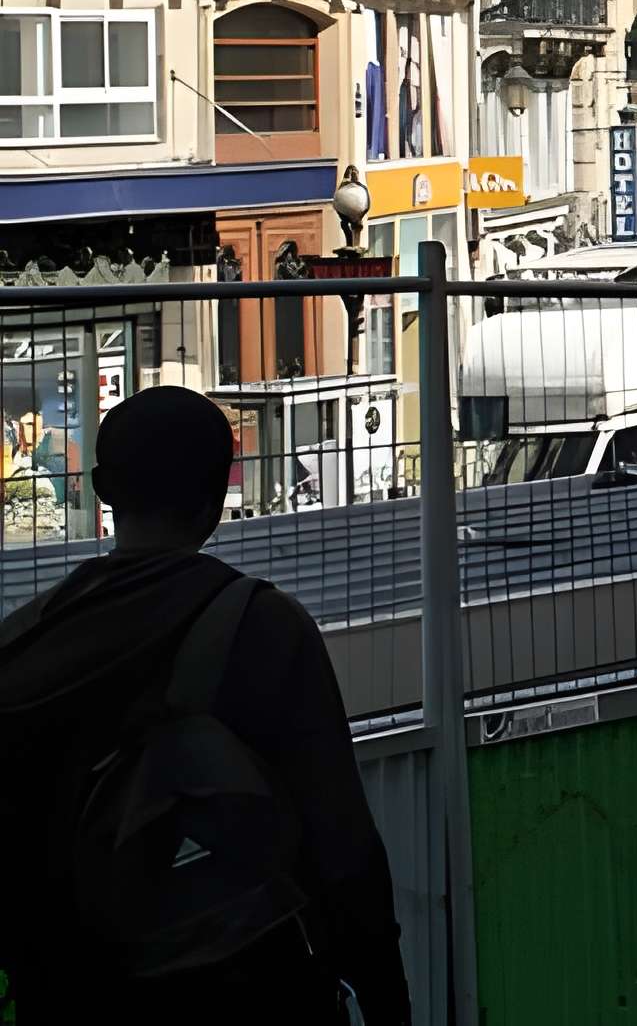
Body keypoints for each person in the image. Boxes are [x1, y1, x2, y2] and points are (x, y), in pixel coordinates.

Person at [0, 386, 410, 1020]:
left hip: (70, 992)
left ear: (103, 488)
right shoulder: (263, 626)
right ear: (220, 492)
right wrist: (386, 997)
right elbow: (345, 851)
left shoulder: (27, 642)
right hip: (242, 988)